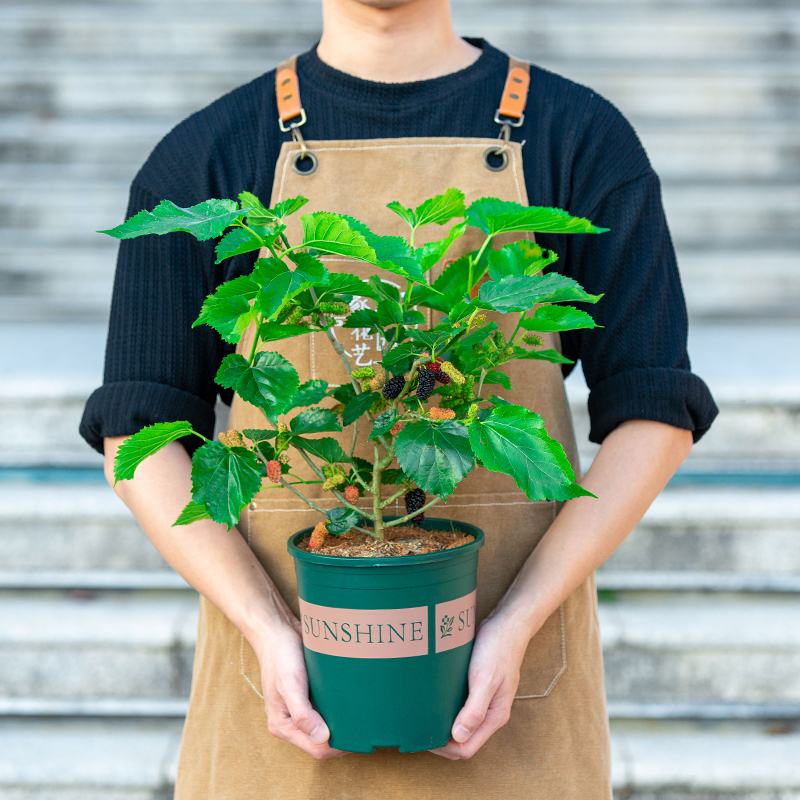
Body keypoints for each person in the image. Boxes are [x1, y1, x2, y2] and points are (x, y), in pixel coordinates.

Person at [80, 0, 718, 796]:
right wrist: (267, 627)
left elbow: (655, 408)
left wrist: (516, 623)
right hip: (286, 704)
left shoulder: (577, 137)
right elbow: (139, 435)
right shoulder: (209, 156)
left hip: (515, 701)